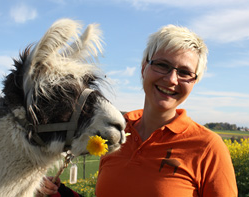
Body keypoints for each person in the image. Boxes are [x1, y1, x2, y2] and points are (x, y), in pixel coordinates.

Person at [38, 25, 238, 196]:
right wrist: (59, 193)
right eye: (162, 65)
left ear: (194, 81)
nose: (171, 79)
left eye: (184, 72)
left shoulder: (208, 147)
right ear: (144, 68)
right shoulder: (115, 133)